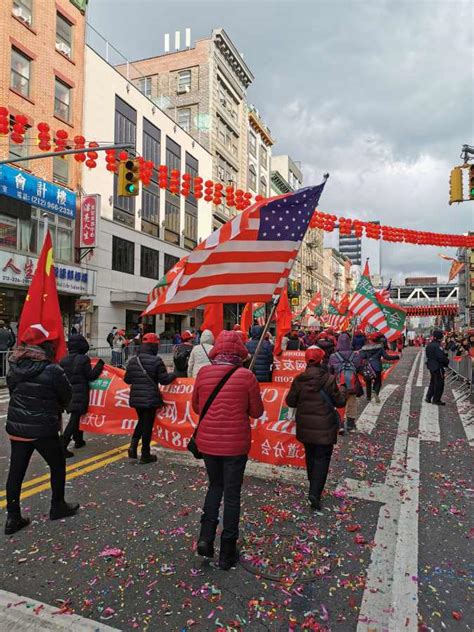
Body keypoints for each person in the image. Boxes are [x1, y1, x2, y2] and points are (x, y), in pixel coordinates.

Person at [192, 330, 264, 569]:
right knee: (232, 495)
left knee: (215, 486)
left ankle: (205, 537)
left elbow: (196, 407)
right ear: (240, 352)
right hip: (235, 446)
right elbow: (257, 411)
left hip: (208, 444)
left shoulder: (203, 373)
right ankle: (227, 552)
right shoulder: (246, 376)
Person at [5, 325, 79, 535]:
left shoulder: (14, 366)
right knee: (57, 464)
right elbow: (67, 395)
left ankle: (12, 517)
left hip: (18, 427)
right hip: (43, 428)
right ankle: (57, 505)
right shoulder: (52, 369)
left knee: (16, 471)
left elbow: (13, 392)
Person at [286, 346, 346, 511]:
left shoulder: (299, 379)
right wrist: (342, 389)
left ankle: (313, 485)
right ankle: (315, 492)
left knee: (311, 456)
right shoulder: (329, 379)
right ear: (321, 360)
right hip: (325, 427)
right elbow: (340, 402)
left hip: (305, 427)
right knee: (322, 458)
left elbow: (290, 402)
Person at [124, 333, 176, 463]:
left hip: (136, 398)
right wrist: (174, 375)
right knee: (147, 425)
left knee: (141, 422)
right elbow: (164, 380)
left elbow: (127, 379)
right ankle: (145, 453)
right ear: (154, 346)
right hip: (150, 398)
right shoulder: (156, 361)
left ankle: (133, 446)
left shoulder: (133, 360)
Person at [59, 334, 105, 457]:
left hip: (68, 393)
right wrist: (100, 365)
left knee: (76, 416)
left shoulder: (63, 360)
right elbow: (91, 376)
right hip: (80, 392)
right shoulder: (83, 359)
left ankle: (78, 440)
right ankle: (63, 445)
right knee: (75, 419)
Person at [328, 332, 362, 432]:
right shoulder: (355, 355)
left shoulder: (333, 356)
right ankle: (351, 424)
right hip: (352, 383)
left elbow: (330, 370)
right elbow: (358, 367)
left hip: (339, 384)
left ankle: (340, 424)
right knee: (352, 403)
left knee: (339, 403)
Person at [360, 332, 399, 403]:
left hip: (368, 367)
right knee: (378, 382)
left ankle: (368, 397)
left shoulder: (364, 349)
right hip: (377, 367)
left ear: (370, 340)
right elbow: (386, 357)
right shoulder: (380, 348)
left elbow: (361, 357)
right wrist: (397, 356)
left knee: (368, 382)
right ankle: (375, 392)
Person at [425, 330, 449, 405]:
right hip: (438, 366)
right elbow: (441, 357)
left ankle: (428, 397)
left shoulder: (429, 345)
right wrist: (446, 361)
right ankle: (436, 399)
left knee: (432, 382)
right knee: (439, 383)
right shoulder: (438, 346)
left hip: (431, 365)